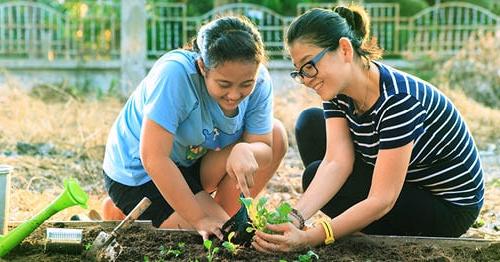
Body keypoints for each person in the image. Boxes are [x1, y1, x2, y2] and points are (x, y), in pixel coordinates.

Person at [253, 5, 484, 252]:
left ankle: (356, 225)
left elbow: (382, 200)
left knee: (313, 175)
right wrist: (295, 218)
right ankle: (356, 223)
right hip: (404, 182)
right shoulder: (337, 91)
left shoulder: (399, 100)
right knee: (310, 124)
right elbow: (336, 162)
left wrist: (314, 237)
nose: (306, 80)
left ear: (344, 49)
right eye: (299, 72)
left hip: (447, 207)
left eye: (310, 66)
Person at [101, 16, 288, 241]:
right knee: (211, 234)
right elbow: (153, 157)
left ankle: (220, 214)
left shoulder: (260, 82)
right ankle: (121, 211)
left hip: (191, 161)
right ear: (202, 67)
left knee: (276, 134)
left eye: (245, 84)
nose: (235, 95)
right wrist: (199, 219)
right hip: (140, 173)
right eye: (224, 84)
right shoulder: (175, 74)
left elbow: (266, 148)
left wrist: (247, 150)